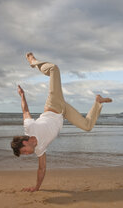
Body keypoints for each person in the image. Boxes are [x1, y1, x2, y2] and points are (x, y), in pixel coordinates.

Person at [11, 53, 112, 192]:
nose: (27, 154)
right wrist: (36, 187)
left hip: (54, 104)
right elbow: (42, 168)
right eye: (25, 154)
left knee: (54, 69)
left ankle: (33, 62)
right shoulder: (39, 149)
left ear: (24, 143)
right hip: (63, 113)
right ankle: (98, 102)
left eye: (24, 152)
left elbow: (25, 110)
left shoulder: (29, 128)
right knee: (87, 126)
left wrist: (22, 95)